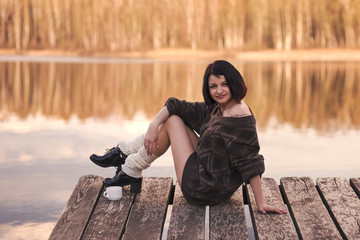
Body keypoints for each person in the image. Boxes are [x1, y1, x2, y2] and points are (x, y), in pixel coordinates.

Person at [90, 60, 286, 214]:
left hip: (203, 188)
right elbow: (179, 106)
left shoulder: (238, 116)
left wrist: (261, 202)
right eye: (213, 86)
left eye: (225, 84)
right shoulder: (219, 108)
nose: (219, 90)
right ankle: (125, 156)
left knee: (172, 121)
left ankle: (129, 165)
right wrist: (153, 124)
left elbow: (249, 160)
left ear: (235, 83)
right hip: (212, 178)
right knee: (175, 117)